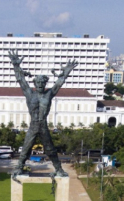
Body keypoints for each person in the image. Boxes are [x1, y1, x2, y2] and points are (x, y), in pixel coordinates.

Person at [8, 50, 77, 178]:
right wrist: (16, 66)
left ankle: (58, 169)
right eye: (38, 83)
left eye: (42, 83)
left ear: (45, 84)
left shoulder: (49, 94)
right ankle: (19, 167)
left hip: (43, 125)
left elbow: (59, 82)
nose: (40, 85)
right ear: (34, 84)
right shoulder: (29, 93)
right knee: (26, 147)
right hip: (33, 124)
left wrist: (66, 72)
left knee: (50, 148)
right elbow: (21, 79)